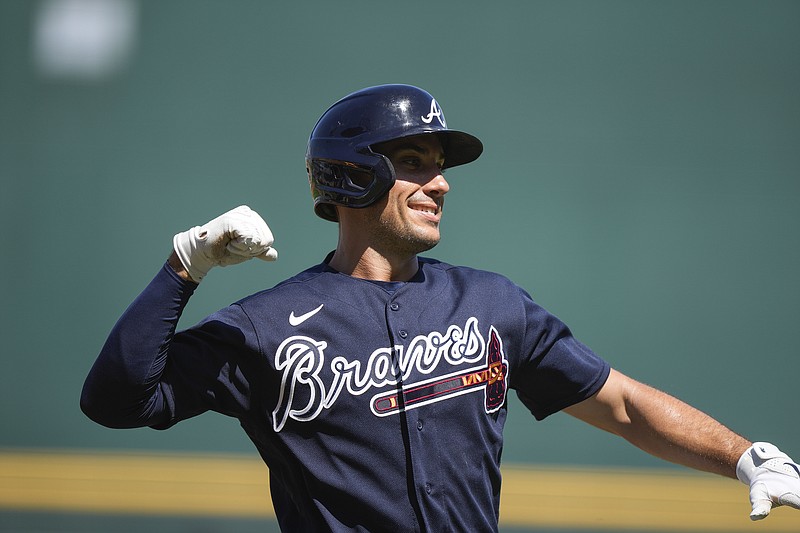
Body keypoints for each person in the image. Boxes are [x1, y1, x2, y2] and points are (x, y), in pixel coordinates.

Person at [81, 84, 799, 532]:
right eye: (416, 162)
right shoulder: (267, 325)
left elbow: (621, 405)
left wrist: (744, 455)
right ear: (353, 173)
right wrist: (187, 262)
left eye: (440, 166)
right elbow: (117, 399)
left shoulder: (490, 302)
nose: (441, 183)